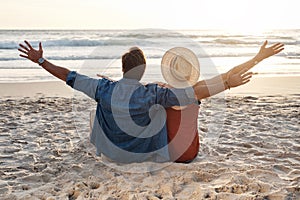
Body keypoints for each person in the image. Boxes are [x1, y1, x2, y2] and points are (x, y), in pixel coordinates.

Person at [18, 40, 283, 163]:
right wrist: (230, 80)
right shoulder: (153, 94)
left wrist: (40, 60)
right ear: (143, 70)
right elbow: (202, 88)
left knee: (99, 106)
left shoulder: (102, 88)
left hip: (112, 154)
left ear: (123, 68)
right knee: (178, 102)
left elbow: (67, 75)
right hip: (145, 155)